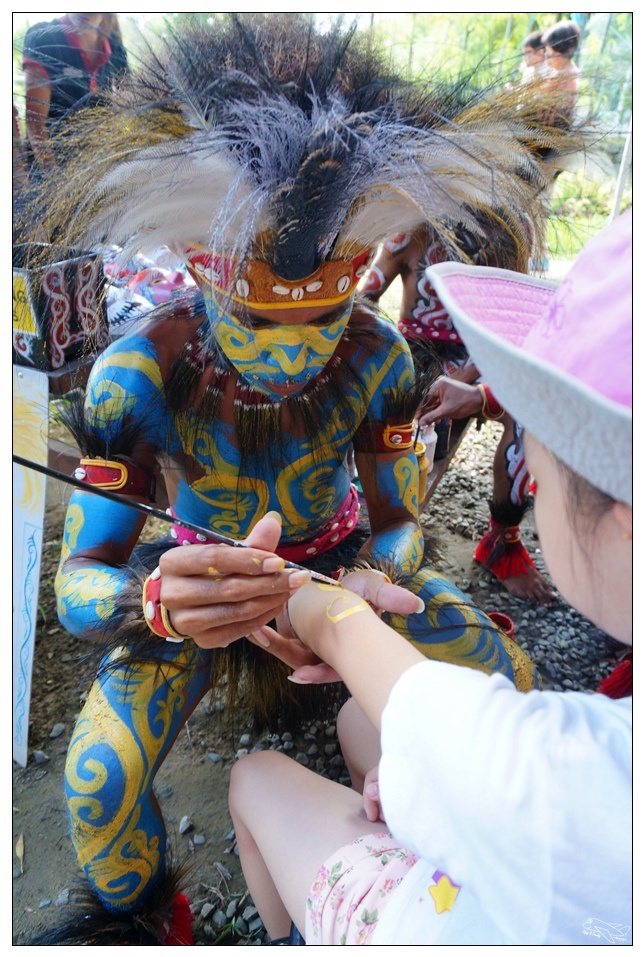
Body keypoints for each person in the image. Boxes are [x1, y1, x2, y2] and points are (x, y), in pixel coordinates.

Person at [23, 14, 587, 944]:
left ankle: (446, 864)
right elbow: (77, 589)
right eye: (261, 323)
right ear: (206, 276)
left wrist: (374, 581)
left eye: (320, 321)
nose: (294, 351)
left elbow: (402, 520)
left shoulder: (380, 356)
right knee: (98, 778)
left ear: (358, 271)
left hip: (339, 573)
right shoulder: (138, 375)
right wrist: (158, 599)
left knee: (508, 674)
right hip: (202, 589)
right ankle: (151, 924)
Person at [229, 209, 632, 946]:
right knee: (360, 719)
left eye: (536, 443)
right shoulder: (143, 372)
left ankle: (300, 930)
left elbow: (437, 704)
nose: (525, 462)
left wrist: (329, 596)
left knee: (253, 776)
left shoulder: (573, 777)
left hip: (463, 913)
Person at [362, 224, 556, 605]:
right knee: (409, 431)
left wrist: (466, 379)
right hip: (413, 354)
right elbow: (363, 304)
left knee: (529, 413)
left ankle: (502, 540)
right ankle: (382, 527)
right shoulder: (408, 234)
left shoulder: (505, 235)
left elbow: (508, 326)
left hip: (480, 359)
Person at [22, 13, 129, 173]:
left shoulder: (116, 49)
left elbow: (128, 105)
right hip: (51, 170)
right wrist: (55, 180)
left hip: (99, 165)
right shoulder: (44, 38)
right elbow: (36, 123)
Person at [539, 19, 581, 126]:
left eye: (550, 53)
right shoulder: (562, 70)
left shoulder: (566, 77)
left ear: (564, 53)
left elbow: (541, 94)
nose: (546, 56)